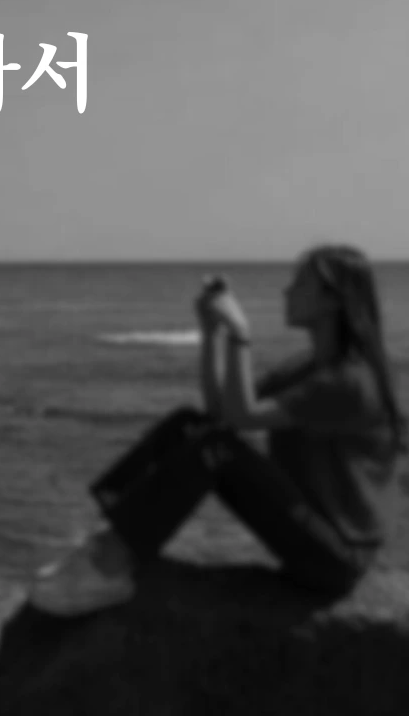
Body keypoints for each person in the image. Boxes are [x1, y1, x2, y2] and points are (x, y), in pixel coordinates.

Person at [31, 246, 404, 616]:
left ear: (333, 300)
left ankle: (109, 569)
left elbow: (243, 418)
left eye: (300, 283)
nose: (286, 291)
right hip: (308, 528)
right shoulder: (307, 366)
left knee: (217, 448)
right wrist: (213, 333)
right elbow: (221, 412)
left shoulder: (350, 381)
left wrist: (240, 332)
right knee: (190, 424)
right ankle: (108, 542)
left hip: (335, 555)